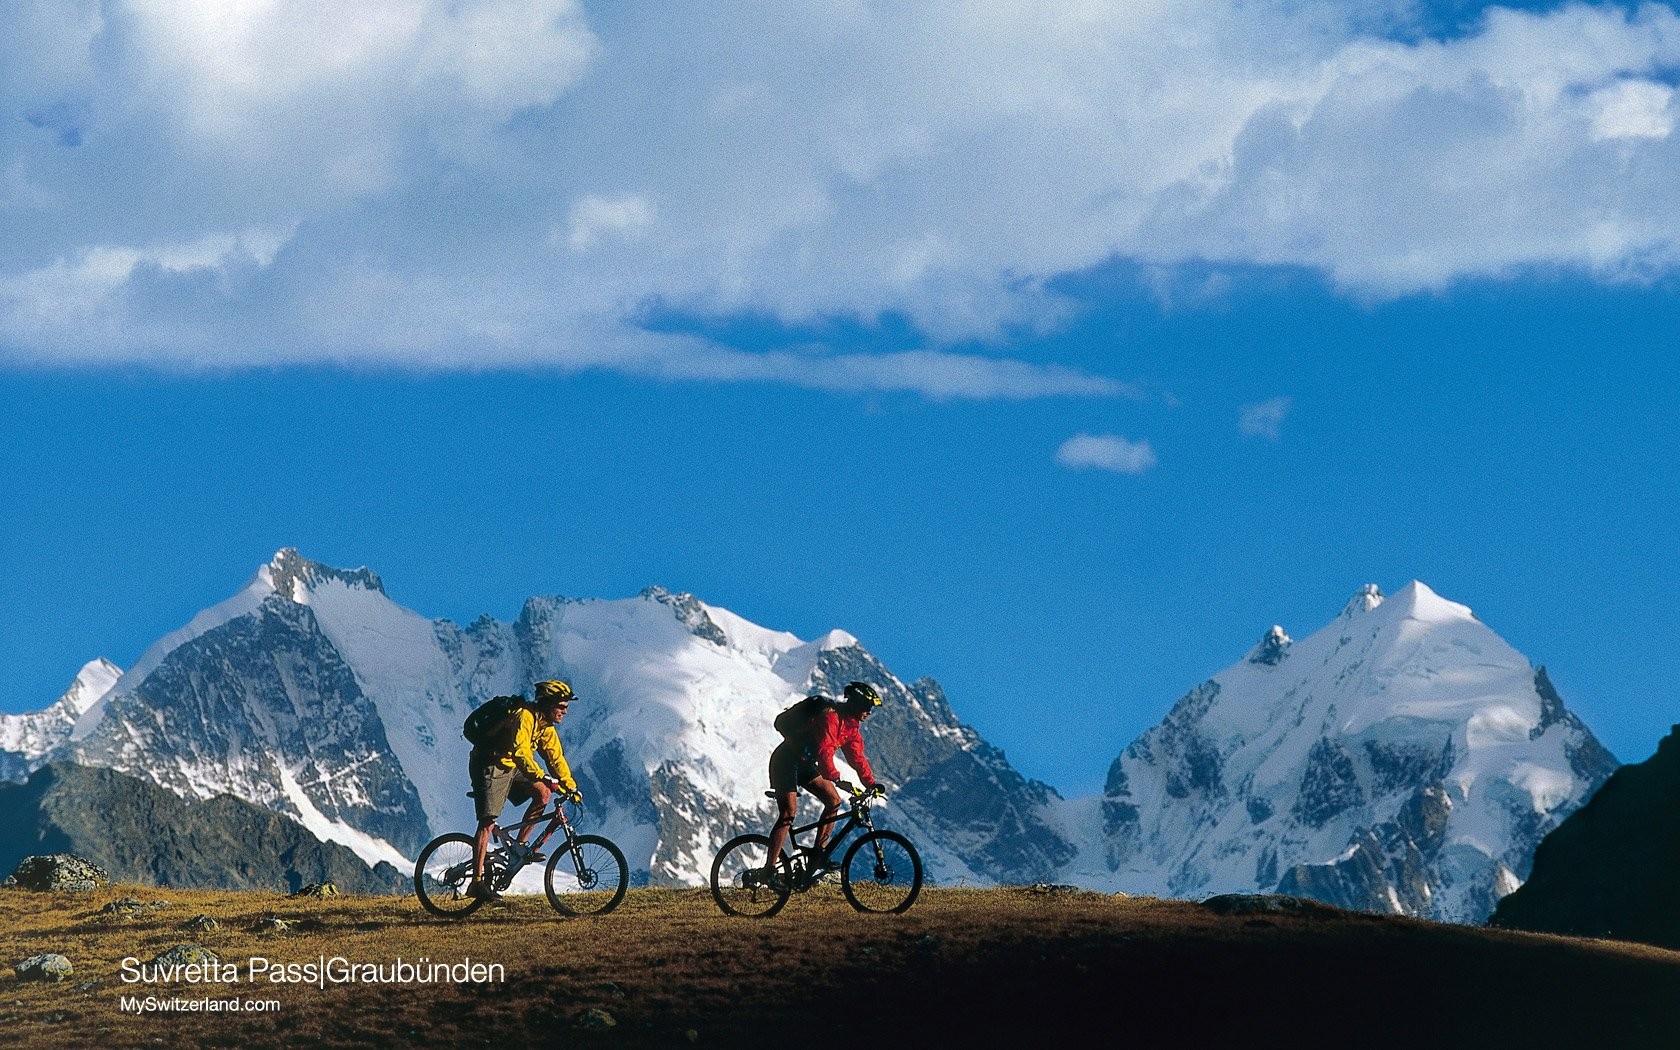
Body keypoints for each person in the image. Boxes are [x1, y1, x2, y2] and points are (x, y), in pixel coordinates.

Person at [468, 679, 582, 900]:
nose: (565, 712)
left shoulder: (545, 727)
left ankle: (519, 849)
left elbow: (555, 759)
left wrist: (570, 787)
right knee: (487, 822)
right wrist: (541, 776)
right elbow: (521, 754)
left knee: (543, 794)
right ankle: (477, 882)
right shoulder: (525, 717)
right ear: (548, 704)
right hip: (489, 763)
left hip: (513, 767)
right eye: (561, 707)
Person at [764, 680, 885, 884]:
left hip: (804, 764)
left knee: (833, 801)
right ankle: (768, 872)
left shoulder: (851, 728)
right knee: (788, 813)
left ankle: (818, 855)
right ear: (855, 703)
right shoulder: (831, 718)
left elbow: (857, 758)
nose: (869, 712)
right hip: (786, 761)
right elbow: (825, 751)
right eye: (866, 707)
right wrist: (835, 777)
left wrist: (870, 783)